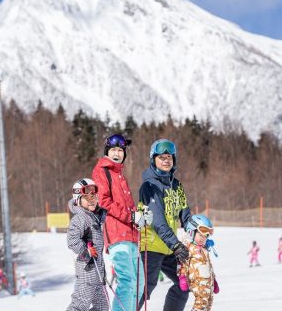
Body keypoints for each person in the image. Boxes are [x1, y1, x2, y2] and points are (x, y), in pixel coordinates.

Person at [92, 133, 152, 311]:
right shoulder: (101, 171)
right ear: (107, 152)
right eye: (113, 150)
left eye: (120, 150)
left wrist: (139, 219)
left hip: (131, 236)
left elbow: (127, 208)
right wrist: (131, 216)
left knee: (140, 284)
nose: (117, 153)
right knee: (128, 281)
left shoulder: (120, 176)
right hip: (117, 236)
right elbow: (104, 201)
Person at [138, 139, 192, 311]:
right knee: (144, 290)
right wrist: (175, 244)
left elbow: (185, 213)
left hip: (169, 248)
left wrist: (196, 234)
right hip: (151, 246)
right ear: (153, 160)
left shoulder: (177, 186)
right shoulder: (148, 186)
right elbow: (157, 220)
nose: (166, 160)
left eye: (169, 157)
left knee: (185, 283)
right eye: (161, 157)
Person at [66, 178, 109, 311]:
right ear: (78, 200)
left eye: (93, 196)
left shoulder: (94, 217)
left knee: (102, 307)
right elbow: (72, 240)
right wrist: (86, 251)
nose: (91, 200)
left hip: (98, 273)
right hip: (87, 273)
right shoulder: (80, 218)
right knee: (79, 305)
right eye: (86, 197)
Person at [178, 215, 219, 311]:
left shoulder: (204, 249)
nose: (203, 239)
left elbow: (209, 266)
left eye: (205, 237)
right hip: (197, 282)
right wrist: (182, 277)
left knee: (208, 305)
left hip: (208, 284)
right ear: (191, 232)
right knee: (200, 305)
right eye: (200, 235)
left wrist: (214, 281)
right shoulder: (187, 248)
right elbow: (182, 263)